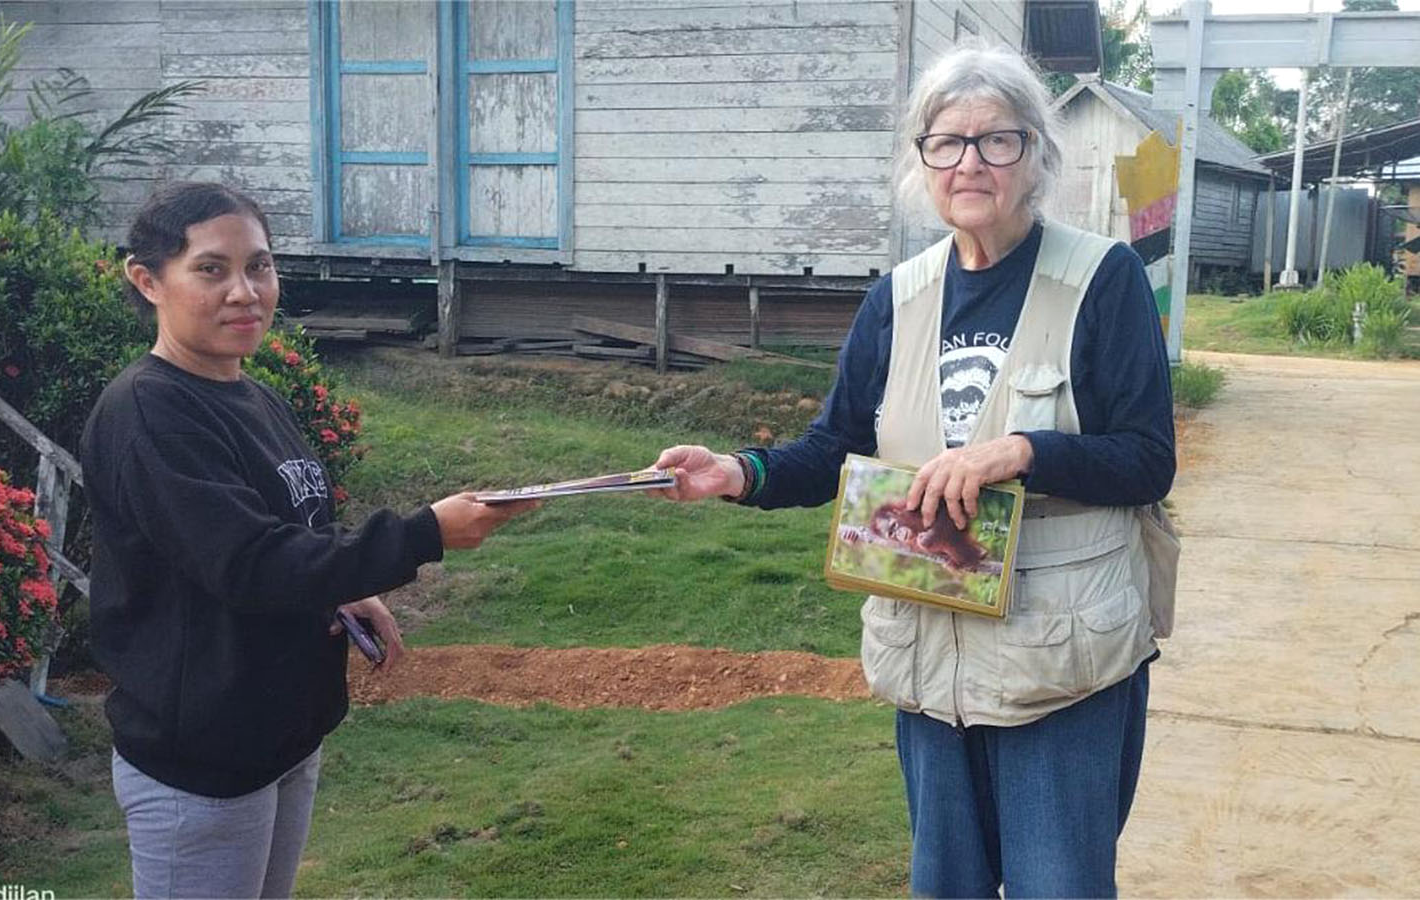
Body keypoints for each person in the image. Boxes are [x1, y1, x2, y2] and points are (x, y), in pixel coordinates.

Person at [651, 41, 1175, 898]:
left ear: (1035, 154)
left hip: (1062, 666)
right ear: (922, 161)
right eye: (947, 142)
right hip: (933, 664)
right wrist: (736, 472)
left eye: (996, 140)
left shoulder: (1101, 280)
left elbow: (1148, 460)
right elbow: (834, 451)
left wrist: (1024, 451)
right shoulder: (896, 296)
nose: (970, 161)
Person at [80, 182, 538, 899]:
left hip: (281, 737)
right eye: (211, 268)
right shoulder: (149, 412)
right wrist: (422, 534)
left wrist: (348, 588)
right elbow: (250, 563)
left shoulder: (250, 394)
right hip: (204, 763)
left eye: (259, 266)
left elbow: (292, 531)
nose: (245, 291)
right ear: (147, 280)